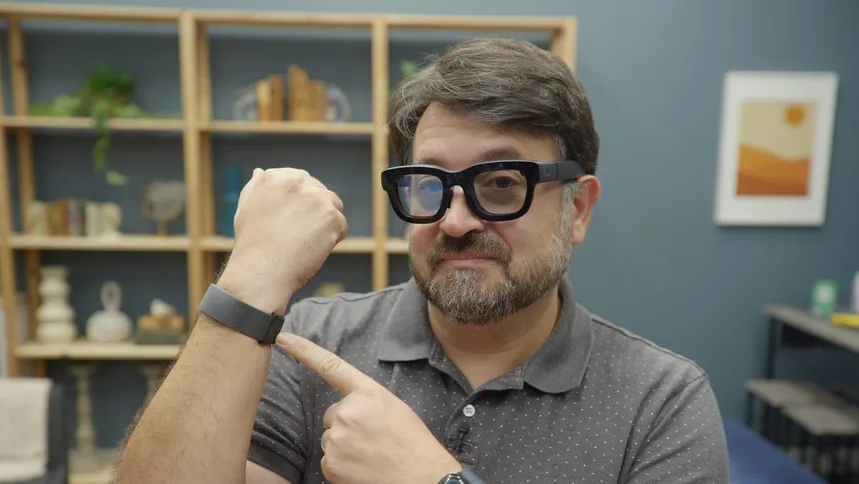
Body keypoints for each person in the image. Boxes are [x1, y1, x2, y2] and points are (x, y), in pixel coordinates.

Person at [113, 38, 729, 484]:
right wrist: (248, 282)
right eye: (429, 185)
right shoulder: (308, 344)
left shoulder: (660, 401)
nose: (455, 222)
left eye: (501, 184)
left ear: (578, 209)